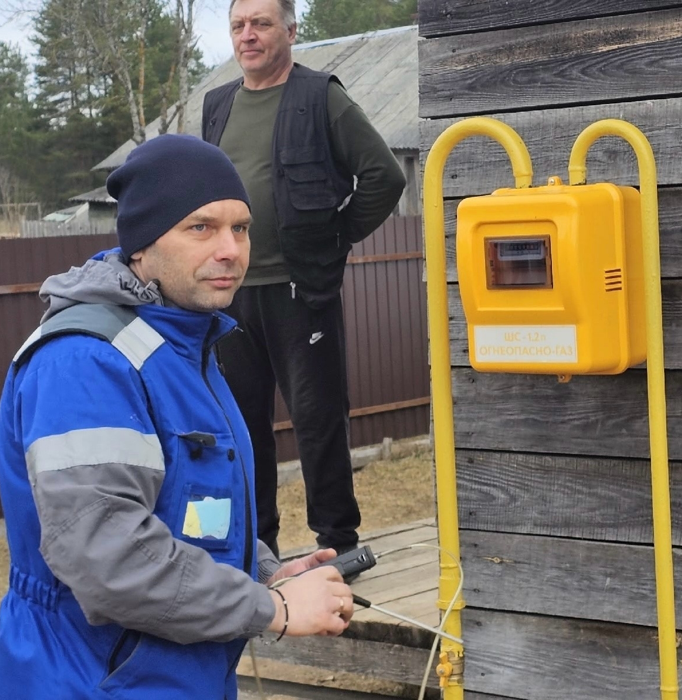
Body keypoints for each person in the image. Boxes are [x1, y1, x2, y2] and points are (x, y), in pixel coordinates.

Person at [0, 134, 355, 699]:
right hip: (92, 682)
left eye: (241, 227)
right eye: (201, 227)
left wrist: (259, 571)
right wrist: (270, 607)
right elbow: (110, 562)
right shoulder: (84, 361)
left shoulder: (180, 347)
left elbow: (189, 506)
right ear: (142, 243)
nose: (230, 249)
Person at [203, 0, 407, 561]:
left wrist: (335, 237)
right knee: (242, 427)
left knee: (318, 422)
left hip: (300, 291)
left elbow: (384, 176)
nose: (248, 35)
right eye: (239, 26)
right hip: (231, 295)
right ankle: (257, 549)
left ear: (291, 31)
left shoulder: (321, 98)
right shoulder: (217, 106)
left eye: (261, 24)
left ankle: (339, 543)